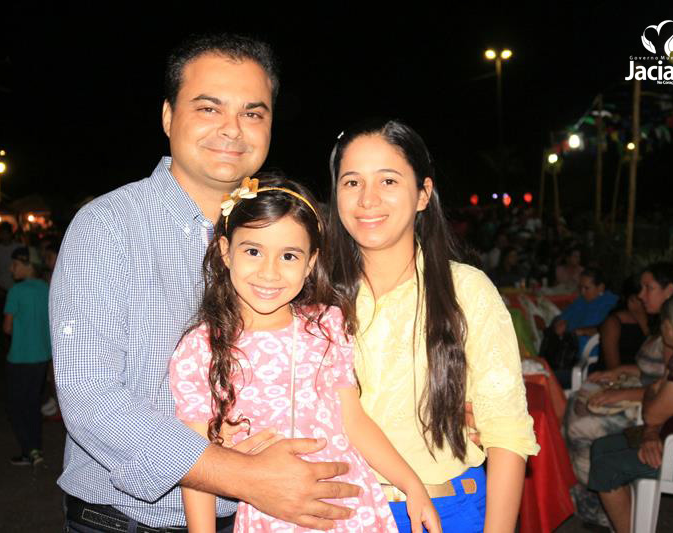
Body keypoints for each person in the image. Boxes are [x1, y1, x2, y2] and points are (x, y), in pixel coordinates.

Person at [50, 34, 358, 533]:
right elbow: (91, 396)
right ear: (168, 116)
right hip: (133, 520)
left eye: (252, 113)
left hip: (267, 518)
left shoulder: (289, 232)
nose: (232, 129)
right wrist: (245, 476)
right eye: (209, 108)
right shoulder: (109, 227)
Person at [171, 175, 440, 532]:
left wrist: (411, 484)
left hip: (351, 509)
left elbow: (354, 421)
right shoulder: (200, 348)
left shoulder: (327, 325)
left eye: (288, 256)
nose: (269, 272)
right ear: (225, 251)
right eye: (253, 251)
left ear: (310, 262)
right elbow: (197, 462)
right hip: (272, 515)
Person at [327, 119, 539, 532]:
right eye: (351, 182)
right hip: (339, 513)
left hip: (447, 513)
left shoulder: (466, 291)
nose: (368, 198)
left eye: (388, 180)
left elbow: (507, 432)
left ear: (423, 194)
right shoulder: (314, 296)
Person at [562, 261, 673, 526]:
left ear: (669, 291)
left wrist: (622, 394)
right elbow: (652, 371)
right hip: (646, 400)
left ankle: (601, 501)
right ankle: (597, 495)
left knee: (579, 425)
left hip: (655, 414)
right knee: (576, 406)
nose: (641, 295)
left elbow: (670, 387)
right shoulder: (662, 325)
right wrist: (618, 372)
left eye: (648, 288)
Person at [589, 292, 673, 533]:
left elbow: (652, 412)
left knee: (606, 467)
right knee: (600, 447)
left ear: (669, 327)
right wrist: (650, 433)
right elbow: (657, 412)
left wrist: (651, 397)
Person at [3, 247, 52, 466]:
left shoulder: (16, 291)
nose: (10, 268)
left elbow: (7, 327)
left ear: (28, 265)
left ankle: (29, 450)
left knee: (15, 406)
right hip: (41, 355)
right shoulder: (46, 288)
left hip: (20, 357)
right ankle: (36, 448)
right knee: (32, 403)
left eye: (15, 264)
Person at [591, 275, 649, 373]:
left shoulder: (654, 319)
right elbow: (613, 367)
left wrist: (642, 320)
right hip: (615, 376)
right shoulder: (613, 322)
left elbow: (656, 355)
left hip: (643, 375)